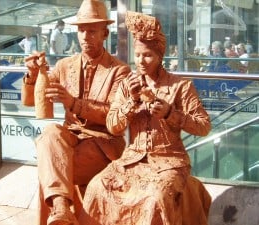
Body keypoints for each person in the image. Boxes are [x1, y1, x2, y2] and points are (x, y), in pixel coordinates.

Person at [79, 11, 211, 225]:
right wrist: (130, 102)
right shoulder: (127, 85)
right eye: (138, 55)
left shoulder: (180, 86)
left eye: (148, 55)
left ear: (160, 57)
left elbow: (203, 126)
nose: (141, 61)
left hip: (170, 161)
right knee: (97, 185)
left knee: (156, 198)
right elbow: (113, 126)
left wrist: (171, 113)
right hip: (133, 158)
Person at [21, 0, 131, 224]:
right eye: (81, 30)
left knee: (52, 171)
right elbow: (31, 101)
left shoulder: (120, 70)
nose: (85, 36)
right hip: (71, 138)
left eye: (91, 31)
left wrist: (73, 103)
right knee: (50, 132)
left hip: (104, 143)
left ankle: (61, 207)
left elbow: (113, 116)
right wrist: (33, 75)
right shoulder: (64, 65)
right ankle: (62, 208)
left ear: (104, 33)